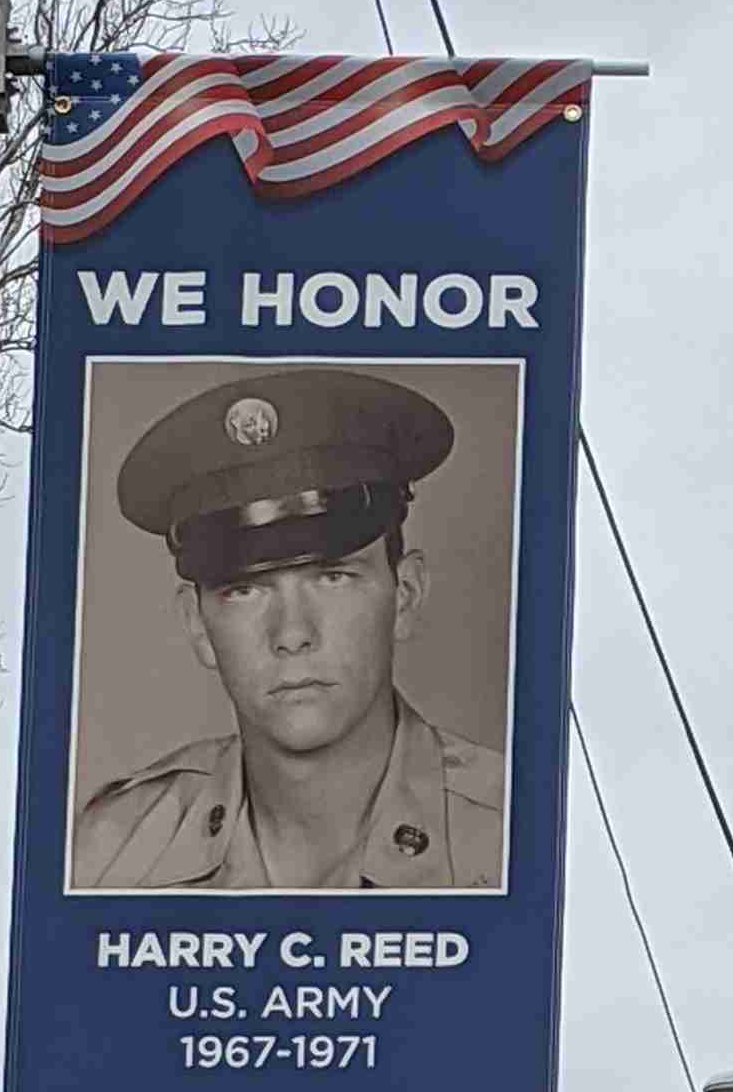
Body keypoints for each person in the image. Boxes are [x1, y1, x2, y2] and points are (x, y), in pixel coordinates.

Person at [73, 366, 507, 890]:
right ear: (197, 624)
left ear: (406, 595)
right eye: (245, 590)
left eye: (333, 577)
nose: (293, 633)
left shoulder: (514, 836)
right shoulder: (112, 852)